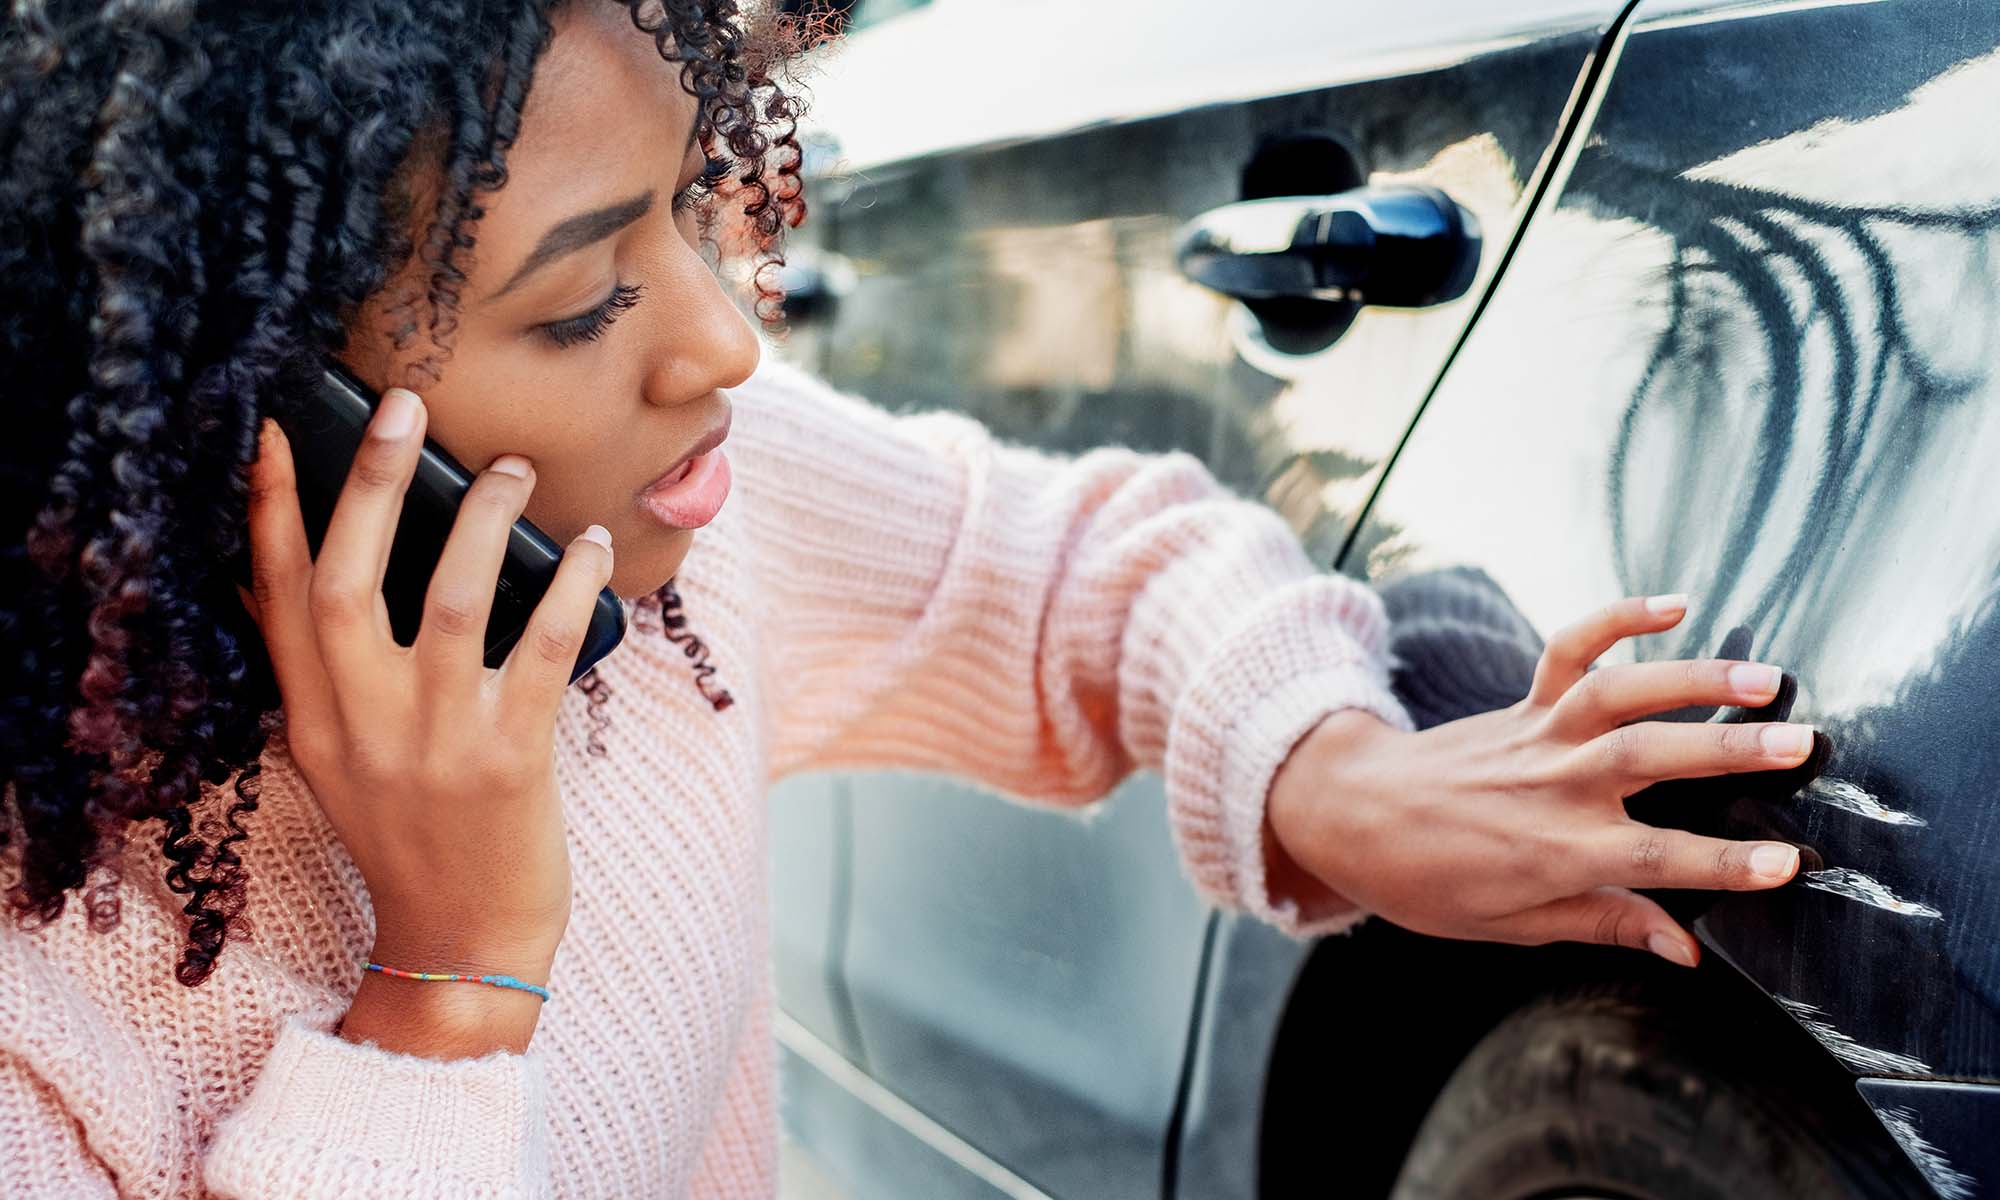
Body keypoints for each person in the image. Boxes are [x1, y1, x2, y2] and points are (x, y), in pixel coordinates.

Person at [0, 2, 1816, 1196]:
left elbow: (1078, 572)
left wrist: (1327, 774)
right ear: (226, 412)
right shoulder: (44, 989)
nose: (725, 338)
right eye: (580, 305)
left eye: (690, 214)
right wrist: (448, 986)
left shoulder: (677, 534)